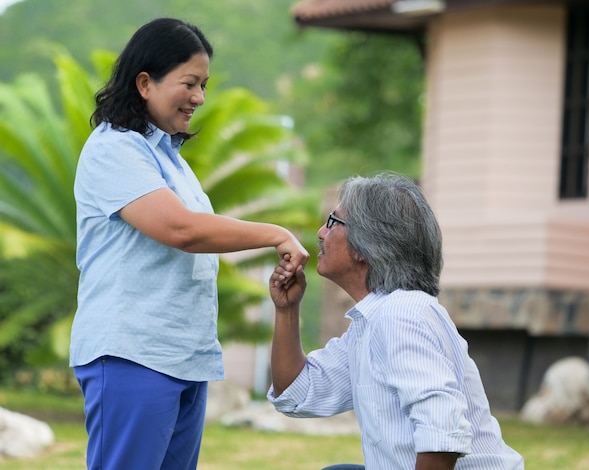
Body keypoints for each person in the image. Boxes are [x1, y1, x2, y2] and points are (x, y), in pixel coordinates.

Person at [70, 17, 309, 470]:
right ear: (145, 83)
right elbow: (183, 230)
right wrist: (275, 235)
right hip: (131, 355)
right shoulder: (113, 150)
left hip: (182, 357)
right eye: (190, 83)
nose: (199, 97)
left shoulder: (168, 158)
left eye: (204, 85)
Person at [268, 173, 524, 470]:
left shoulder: (401, 316)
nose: (321, 233)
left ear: (366, 246)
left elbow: (443, 433)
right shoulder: (374, 320)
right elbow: (297, 393)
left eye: (333, 222)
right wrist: (287, 310)